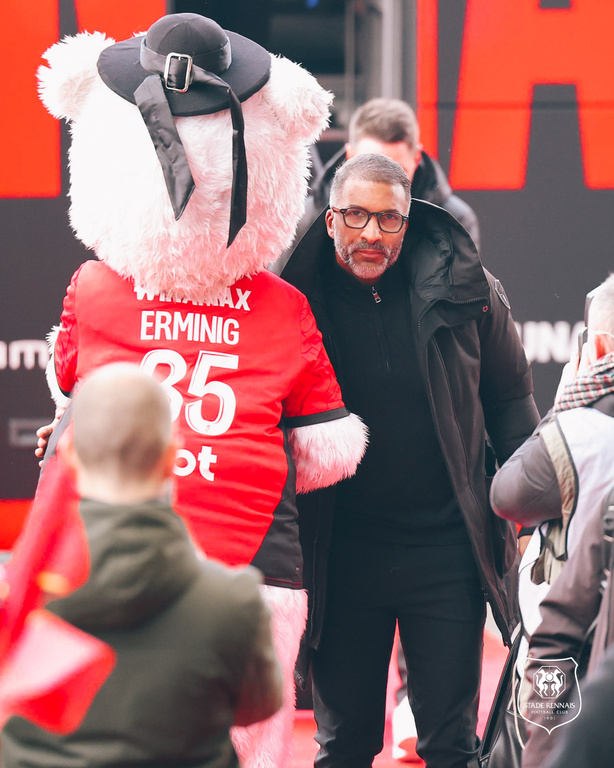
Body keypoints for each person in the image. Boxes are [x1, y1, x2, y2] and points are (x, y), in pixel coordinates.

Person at [281, 153, 539, 768]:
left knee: (451, 745)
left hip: (445, 551)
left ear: (410, 220)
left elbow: (510, 398)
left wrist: (538, 504)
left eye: (389, 219)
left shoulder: (466, 287)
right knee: (346, 744)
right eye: (357, 216)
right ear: (330, 220)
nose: (372, 233)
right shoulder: (292, 299)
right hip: (342, 556)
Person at [2, 363, 283, 768]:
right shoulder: (231, 600)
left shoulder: (15, 593)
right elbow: (258, 706)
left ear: (71, 457)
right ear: (171, 458)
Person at [490, 273, 614, 768]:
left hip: (569, 657)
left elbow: (508, 494)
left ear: (596, 345)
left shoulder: (580, 424)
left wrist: (562, 409)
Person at [270, 97, 480, 278]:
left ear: (417, 158)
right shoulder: (308, 216)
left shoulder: (453, 220)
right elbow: (280, 300)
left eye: (397, 173)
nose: (381, 188)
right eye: (368, 169)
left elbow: (461, 305)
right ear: (349, 156)